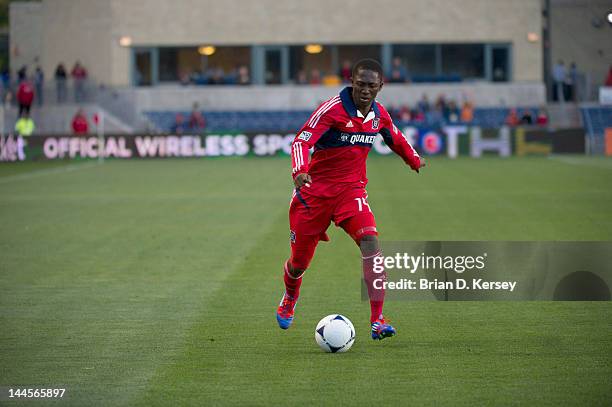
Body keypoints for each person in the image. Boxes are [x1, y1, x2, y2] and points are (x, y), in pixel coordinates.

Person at [276, 59, 425, 341]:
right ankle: (289, 297)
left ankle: (378, 319)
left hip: (351, 192)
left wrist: (413, 158)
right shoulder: (332, 110)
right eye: (360, 84)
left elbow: (394, 137)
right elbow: (301, 141)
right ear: (352, 83)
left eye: (371, 85)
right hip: (313, 195)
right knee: (299, 263)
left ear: (381, 86)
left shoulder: (379, 115)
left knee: (371, 243)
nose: (365, 90)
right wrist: (300, 170)